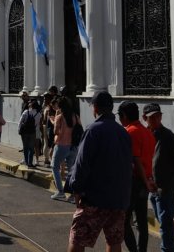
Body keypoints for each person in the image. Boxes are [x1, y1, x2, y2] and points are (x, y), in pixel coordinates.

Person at [67, 91, 132, 252]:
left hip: (95, 198)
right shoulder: (123, 132)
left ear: (95, 108)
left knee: (78, 239)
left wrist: (76, 188)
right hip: (118, 199)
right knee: (114, 240)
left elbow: (81, 164)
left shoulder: (93, 130)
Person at [142, 103, 174, 252]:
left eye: (157, 116)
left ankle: (168, 249)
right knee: (162, 220)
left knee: (165, 222)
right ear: (144, 118)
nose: (155, 119)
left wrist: (172, 182)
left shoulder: (169, 137)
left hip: (165, 187)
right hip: (150, 186)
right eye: (151, 117)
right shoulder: (145, 135)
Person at [117, 101, 156, 252]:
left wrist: (145, 180)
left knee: (124, 221)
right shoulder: (147, 132)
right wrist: (147, 180)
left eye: (120, 116)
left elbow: (136, 160)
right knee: (141, 220)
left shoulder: (129, 132)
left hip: (134, 181)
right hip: (144, 180)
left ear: (124, 116)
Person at [51, 97, 79, 200]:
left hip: (61, 145)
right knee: (71, 170)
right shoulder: (75, 117)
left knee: (54, 167)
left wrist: (53, 121)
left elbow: (56, 132)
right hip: (74, 146)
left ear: (60, 106)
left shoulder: (59, 117)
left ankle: (60, 191)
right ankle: (71, 194)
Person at [18, 99, 41, 168]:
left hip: (24, 132)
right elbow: (37, 124)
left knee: (25, 147)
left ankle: (26, 161)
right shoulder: (38, 114)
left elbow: (20, 121)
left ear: (31, 106)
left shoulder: (26, 112)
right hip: (32, 132)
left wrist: (19, 130)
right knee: (31, 148)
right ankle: (30, 163)